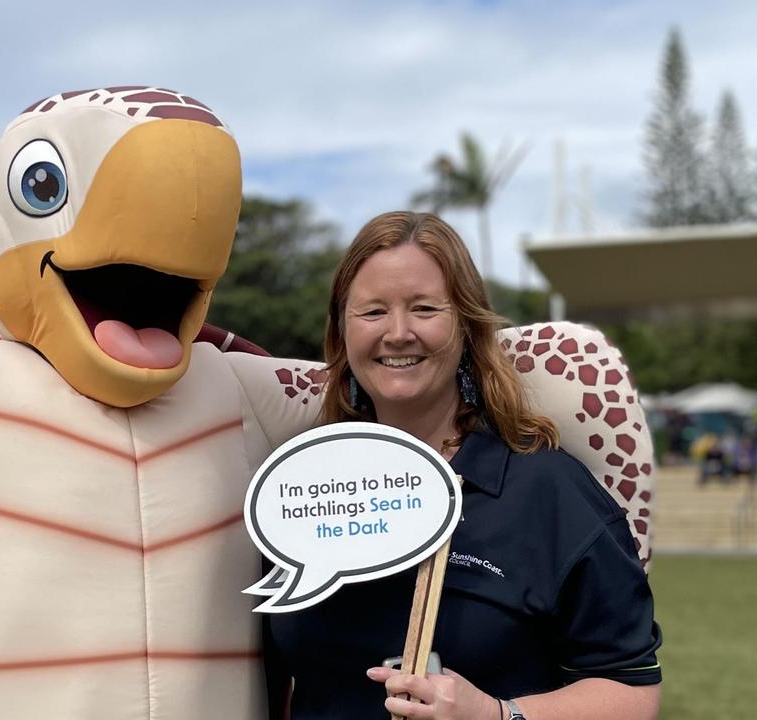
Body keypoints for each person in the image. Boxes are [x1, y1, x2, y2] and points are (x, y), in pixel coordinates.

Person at [265, 212, 662, 720]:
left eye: (425, 308)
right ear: (341, 332)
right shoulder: (300, 492)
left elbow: (632, 692)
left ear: (467, 327)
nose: (398, 332)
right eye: (372, 312)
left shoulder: (546, 489)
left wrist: (497, 715)